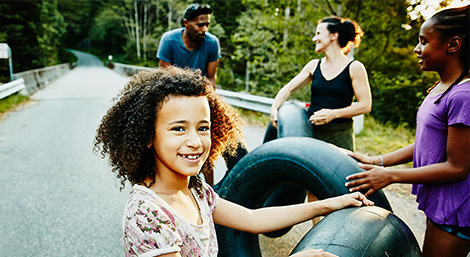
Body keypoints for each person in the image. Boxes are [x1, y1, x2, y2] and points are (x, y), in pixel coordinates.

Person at [93, 66, 374, 257]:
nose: (195, 141)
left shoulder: (196, 190)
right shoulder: (147, 214)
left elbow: (252, 218)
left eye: (203, 128)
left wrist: (330, 203)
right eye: (178, 128)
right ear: (147, 137)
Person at [346, 5, 470, 257]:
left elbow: (458, 167)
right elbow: (430, 144)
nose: (416, 49)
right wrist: (379, 161)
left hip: (457, 209)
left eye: (424, 42)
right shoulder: (442, 87)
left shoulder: (463, 95)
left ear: (453, 44)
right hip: (442, 203)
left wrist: (391, 176)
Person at [267, 16, 371, 152]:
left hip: (339, 136)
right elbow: (288, 89)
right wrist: (274, 108)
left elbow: (365, 105)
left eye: (318, 34)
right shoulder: (314, 65)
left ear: (333, 36)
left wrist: (333, 114)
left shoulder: (354, 67)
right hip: (311, 132)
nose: (314, 39)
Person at [157, 3, 220, 88]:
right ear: (186, 23)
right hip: (173, 90)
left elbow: (211, 79)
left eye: (207, 25)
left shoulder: (212, 42)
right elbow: (163, 77)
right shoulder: (169, 40)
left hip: (199, 91)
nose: (205, 29)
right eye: (200, 25)